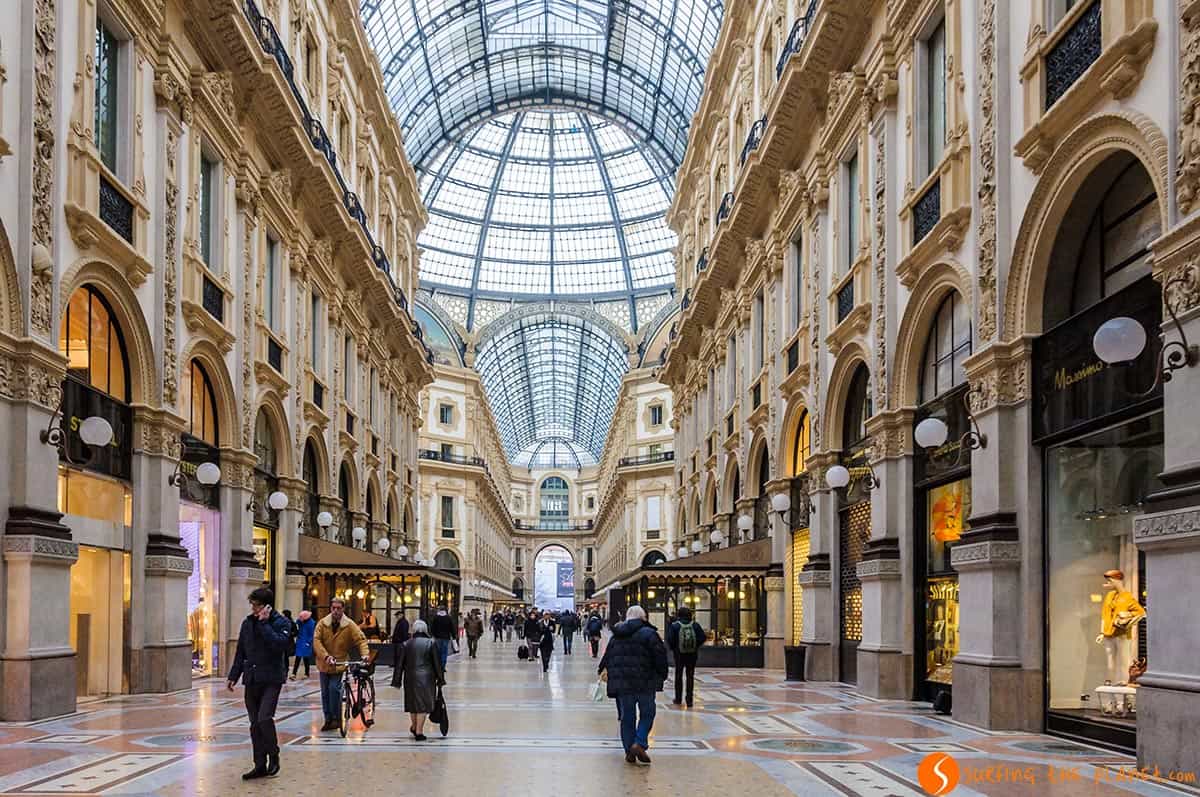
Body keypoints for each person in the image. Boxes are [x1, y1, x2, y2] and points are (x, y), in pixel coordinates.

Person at [226, 586, 292, 780]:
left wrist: (264, 624)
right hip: (252, 679)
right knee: (255, 724)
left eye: (257, 606)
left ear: (267, 606)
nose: (253, 609)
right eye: (252, 605)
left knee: (264, 718)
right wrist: (233, 675)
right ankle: (259, 764)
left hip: (272, 678)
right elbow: (241, 651)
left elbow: (280, 645)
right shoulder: (248, 623)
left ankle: (274, 754)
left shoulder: (281, 622)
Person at [598, 605, 667, 766]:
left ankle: (629, 749)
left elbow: (607, 657)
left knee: (627, 717)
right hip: (645, 682)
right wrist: (661, 675)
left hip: (623, 684)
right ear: (644, 617)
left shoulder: (617, 635)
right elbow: (660, 657)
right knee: (648, 713)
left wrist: (602, 670)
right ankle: (640, 742)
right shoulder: (650, 634)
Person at [312, 597, 370, 732]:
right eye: (333, 608)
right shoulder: (322, 623)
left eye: (339, 608)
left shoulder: (349, 625)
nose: (336, 611)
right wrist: (325, 656)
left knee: (334, 689)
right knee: (325, 693)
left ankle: (337, 718)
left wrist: (365, 654)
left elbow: (361, 640)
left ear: (343, 609)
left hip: (339, 663)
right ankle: (328, 719)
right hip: (324, 662)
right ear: (330, 609)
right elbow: (316, 641)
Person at [391, 619, 444, 741]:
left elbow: (400, 664)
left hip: (410, 677)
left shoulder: (406, 644)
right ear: (425, 629)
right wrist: (440, 679)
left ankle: (415, 726)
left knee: (412, 703)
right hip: (427, 677)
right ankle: (419, 731)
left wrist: (397, 680)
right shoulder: (431, 643)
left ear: (413, 630)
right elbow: (437, 663)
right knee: (423, 705)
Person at [666, 605, 707, 707]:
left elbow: (669, 640)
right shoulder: (695, 625)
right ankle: (689, 700)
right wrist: (695, 646)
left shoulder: (675, 626)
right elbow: (703, 637)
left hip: (679, 654)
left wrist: (674, 649)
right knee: (690, 676)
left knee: (678, 675)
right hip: (692, 654)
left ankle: (678, 698)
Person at [291, 609, 316, 680]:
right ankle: (294, 673)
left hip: (306, 643)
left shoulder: (311, 623)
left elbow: (312, 634)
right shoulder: (301, 622)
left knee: (306, 659)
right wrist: (299, 619)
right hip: (300, 641)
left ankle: (306, 673)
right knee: (298, 658)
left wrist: (308, 642)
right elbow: (297, 623)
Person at [281, 609, 297, 675]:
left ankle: (285, 671)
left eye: (283, 614)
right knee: (284, 658)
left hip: (288, 642)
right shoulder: (282, 622)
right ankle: (284, 670)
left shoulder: (291, 623)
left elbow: (296, 632)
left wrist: (289, 634)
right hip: (283, 642)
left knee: (285, 657)